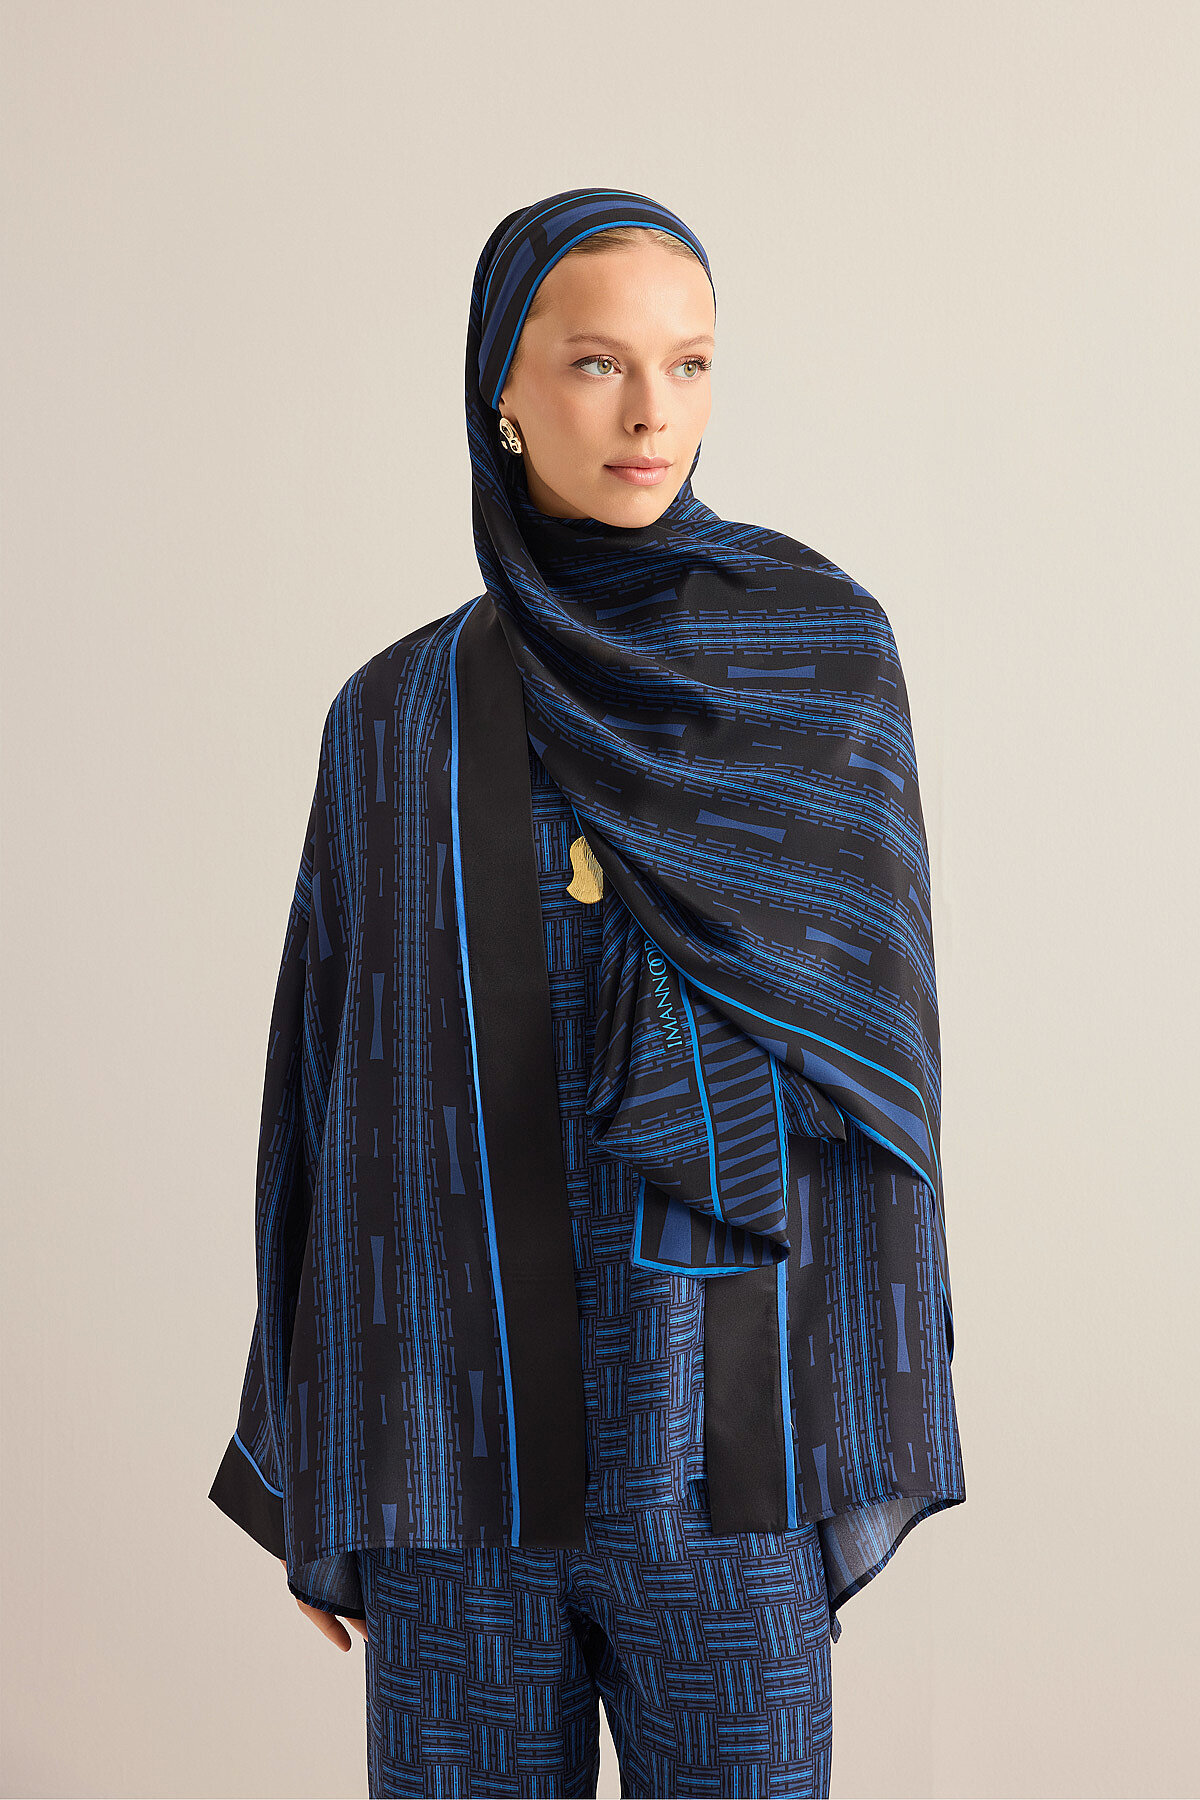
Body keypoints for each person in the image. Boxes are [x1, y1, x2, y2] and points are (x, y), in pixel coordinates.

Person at [210, 186, 965, 1799]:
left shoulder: (816, 663)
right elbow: (328, 1096)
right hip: (450, 1470)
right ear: (502, 382)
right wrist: (312, 1451)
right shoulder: (397, 714)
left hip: (725, 1464)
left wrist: (853, 1423)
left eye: (689, 364)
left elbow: (885, 1078)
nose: (649, 414)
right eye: (597, 362)